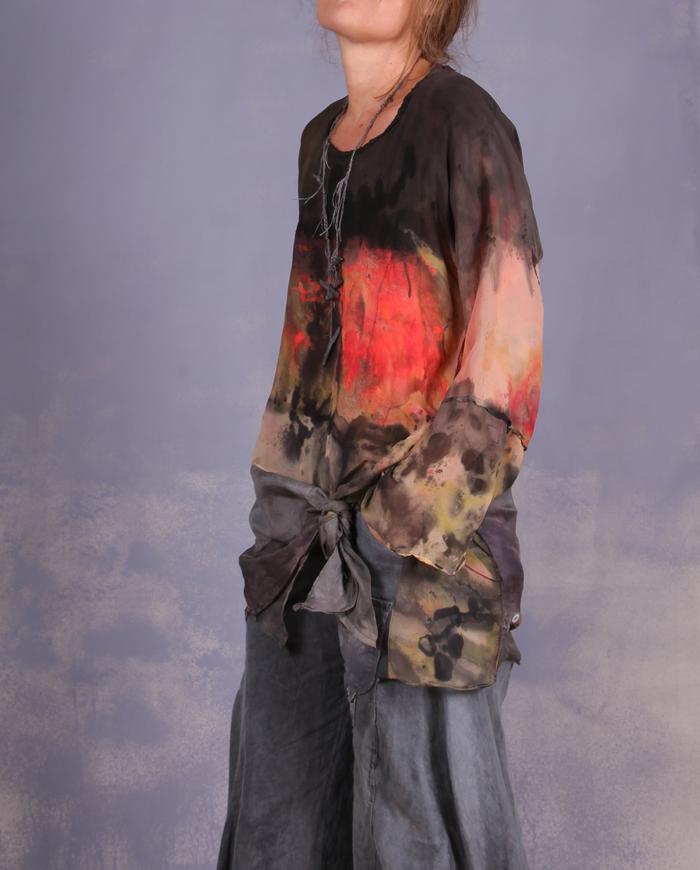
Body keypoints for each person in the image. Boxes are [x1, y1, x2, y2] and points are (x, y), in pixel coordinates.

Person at [217, 1, 543, 867]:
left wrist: (398, 528)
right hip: (303, 547)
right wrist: (281, 515)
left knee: (422, 831)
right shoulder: (321, 140)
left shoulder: (464, 125)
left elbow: (506, 369)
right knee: (284, 821)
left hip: (426, 554)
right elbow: (305, 360)